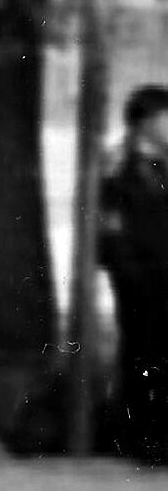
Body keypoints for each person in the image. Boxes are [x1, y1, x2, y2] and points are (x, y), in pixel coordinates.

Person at [94, 82, 168, 464]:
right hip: (139, 277)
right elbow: (111, 226)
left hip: (161, 274)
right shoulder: (119, 165)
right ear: (146, 122)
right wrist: (129, 272)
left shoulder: (162, 164)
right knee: (143, 351)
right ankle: (141, 436)